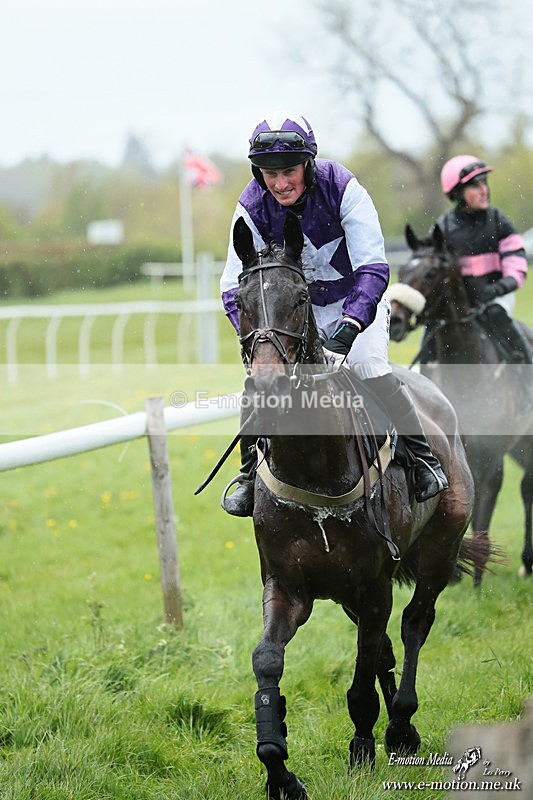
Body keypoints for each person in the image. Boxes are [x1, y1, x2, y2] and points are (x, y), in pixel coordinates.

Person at [220, 111, 448, 517]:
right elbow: (230, 286)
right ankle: (248, 474)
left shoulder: (342, 188)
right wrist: (260, 342)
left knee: (367, 366)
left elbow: (373, 269)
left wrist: (349, 327)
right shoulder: (251, 205)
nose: (280, 183)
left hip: (353, 303)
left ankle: (422, 460)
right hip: (294, 316)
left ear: (308, 165)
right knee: (262, 380)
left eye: (289, 171)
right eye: (270, 174)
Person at [429, 154, 531, 365]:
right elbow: (431, 266)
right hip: (458, 304)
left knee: (497, 315)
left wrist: (498, 288)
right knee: (431, 329)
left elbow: (517, 265)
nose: (484, 190)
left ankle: (525, 367)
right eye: (475, 186)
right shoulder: (443, 227)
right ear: (458, 192)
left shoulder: (499, 221)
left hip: (495, 297)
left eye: (484, 183)